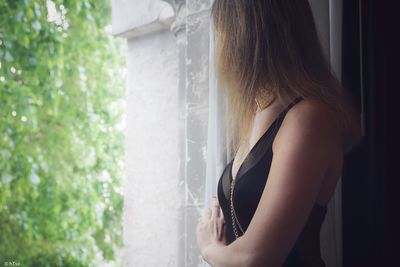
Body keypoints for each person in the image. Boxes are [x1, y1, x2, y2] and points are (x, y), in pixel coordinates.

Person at [196, 0, 361, 266]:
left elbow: (256, 257)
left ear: (247, 35)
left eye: (223, 31)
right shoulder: (255, 111)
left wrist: (209, 248)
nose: (220, 46)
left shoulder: (309, 118)